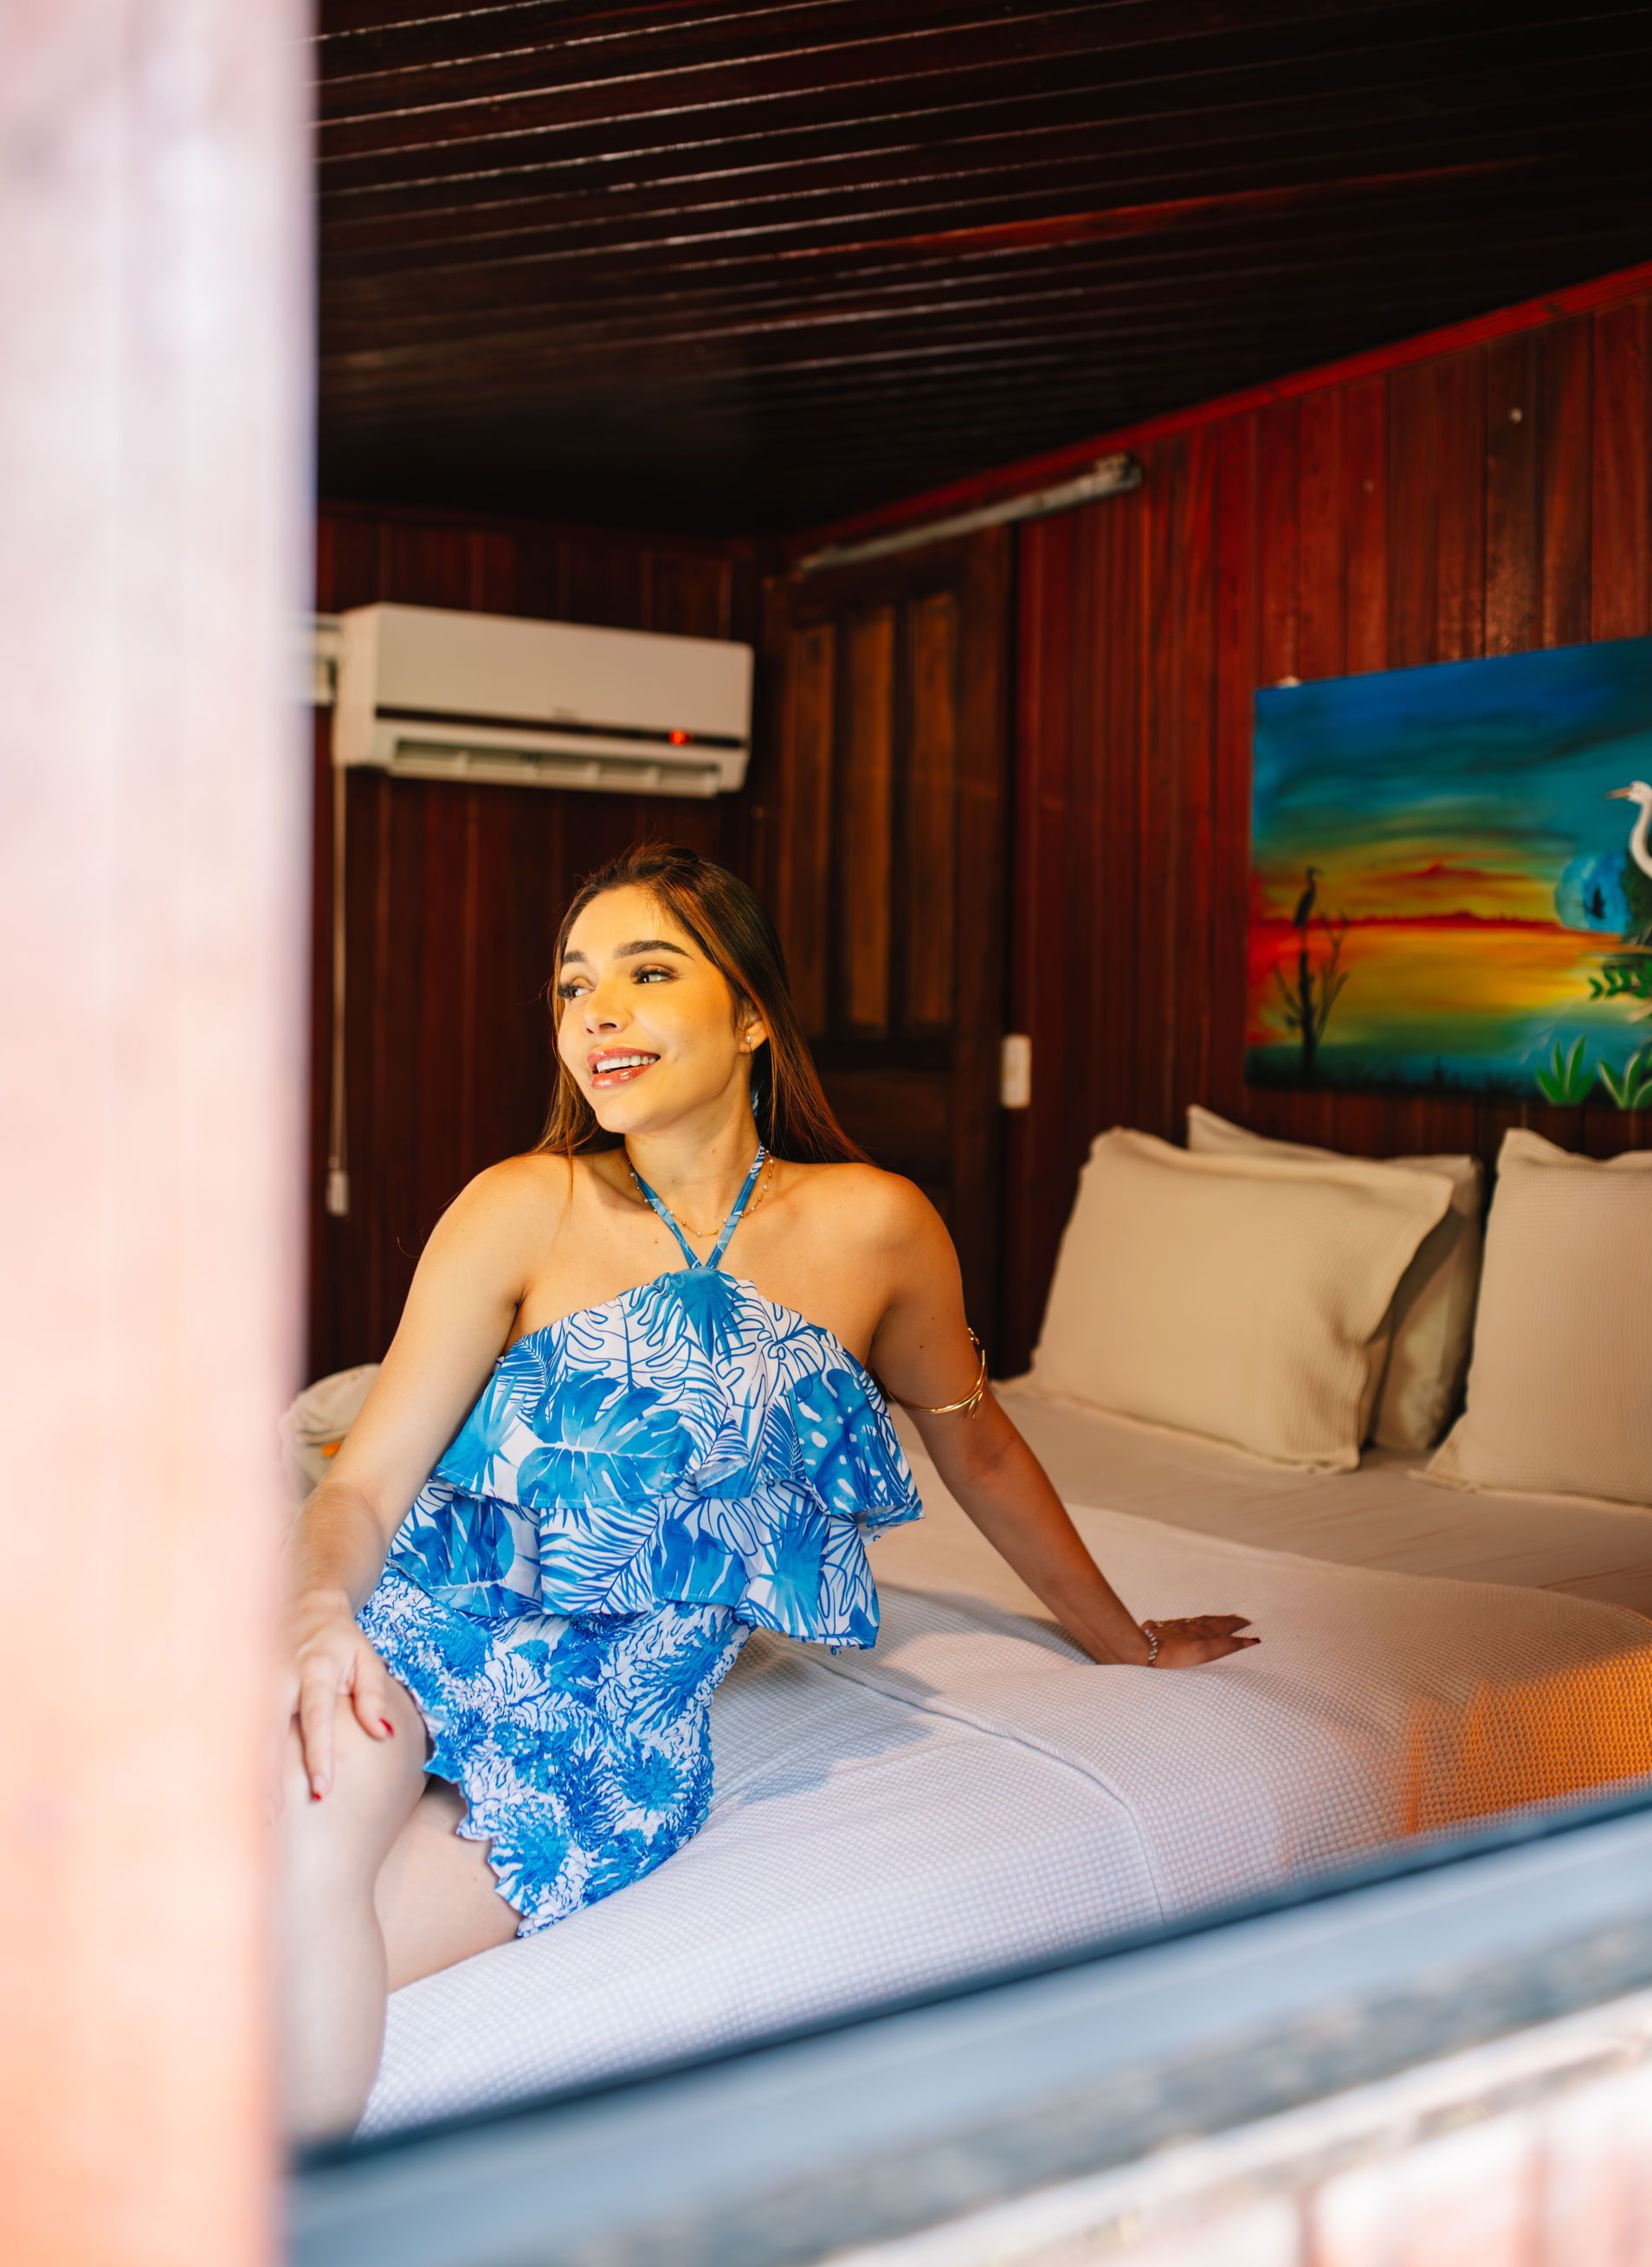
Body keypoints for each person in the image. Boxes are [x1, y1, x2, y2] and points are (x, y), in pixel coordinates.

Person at [279, 843, 1258, 2141]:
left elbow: (979, 1446)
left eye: (647, 971)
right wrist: (313, 1617)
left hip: (609, 1733)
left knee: (260, 1971)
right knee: (293, 1850)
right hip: (414, 1637)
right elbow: (369, 1484)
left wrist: (1120, 1639)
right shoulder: (522, 1204)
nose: (598, 1015)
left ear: (749, 1014)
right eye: (574, 988)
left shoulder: (875, 1229)